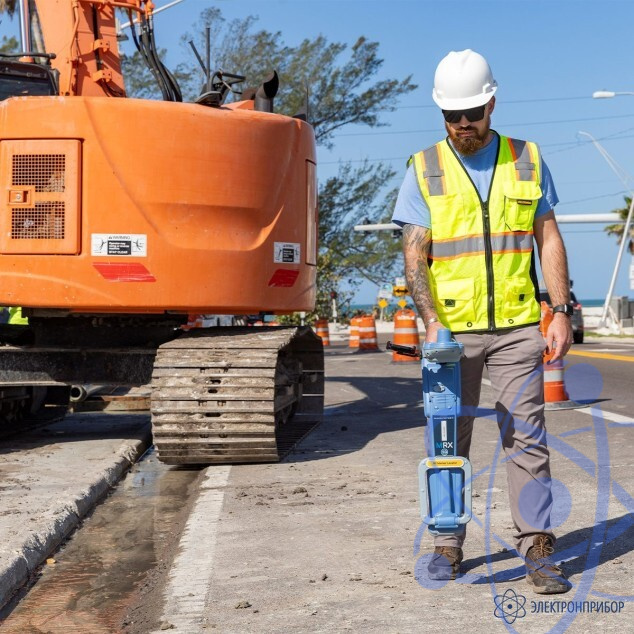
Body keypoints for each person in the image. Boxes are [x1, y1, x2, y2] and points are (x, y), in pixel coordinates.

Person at [392, 49, 573, 594]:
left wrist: (560, 310)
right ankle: (446, 543)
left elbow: (548, 237)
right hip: (450, 334)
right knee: (447, 440)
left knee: (526, 436)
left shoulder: (527, 159)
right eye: (452, 115)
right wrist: (430, 321)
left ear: (492, 103)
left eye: (471, 113)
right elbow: (413, 252)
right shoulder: (424, 167)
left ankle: (537, 547)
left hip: (517, 326)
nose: (462, 124)